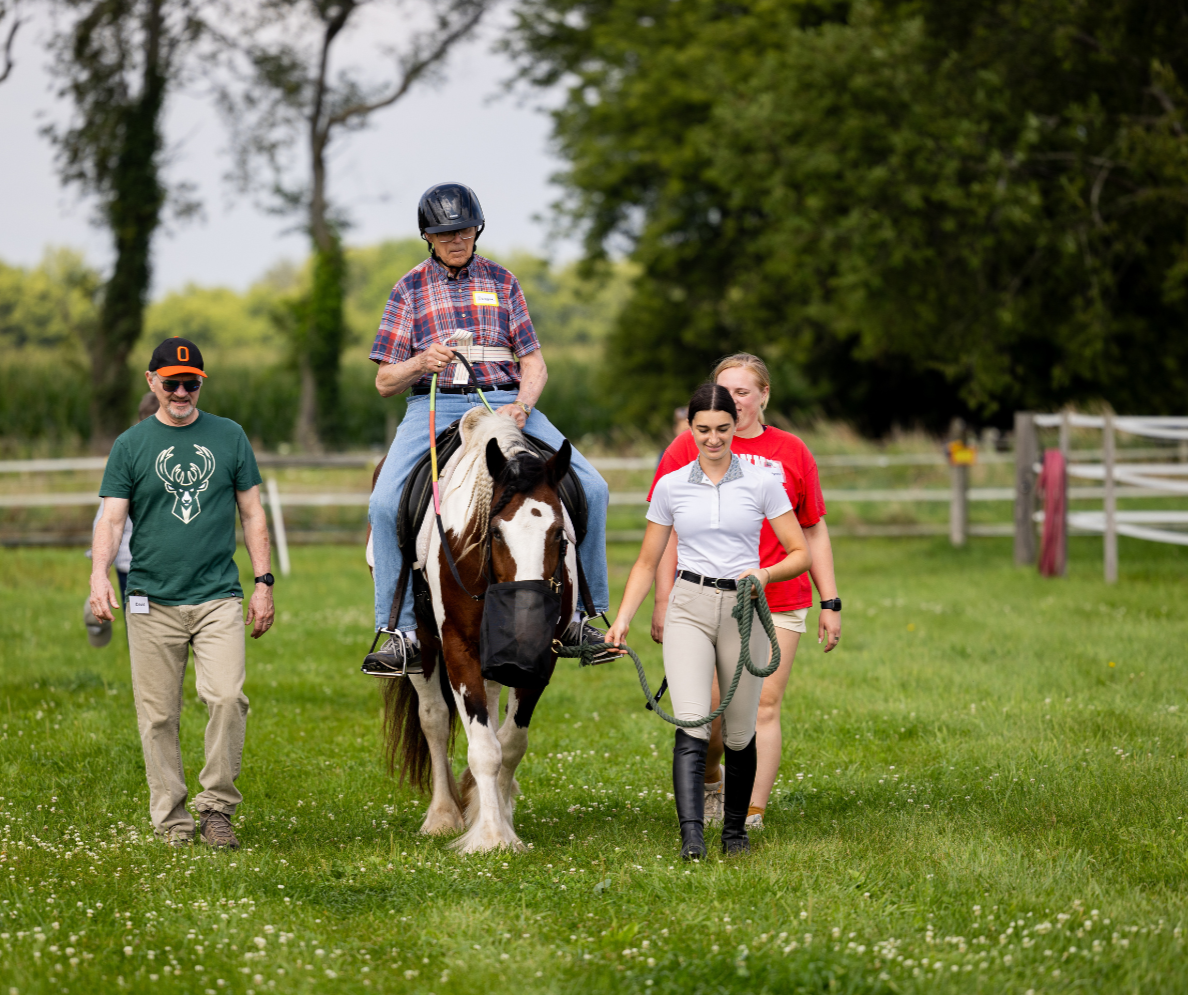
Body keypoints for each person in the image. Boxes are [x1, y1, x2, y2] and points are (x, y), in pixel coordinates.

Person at [361, 182, 614, 676]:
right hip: (432, 408)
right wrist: (418, 362)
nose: (457, 239)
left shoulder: (503, 281)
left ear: (478, 229)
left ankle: (584, 616)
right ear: (428, 237)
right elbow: (383, 381)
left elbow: (534, 362)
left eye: (465, 230)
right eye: (445, 233)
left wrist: (523, 404)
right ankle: (401, 632)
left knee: (597, 488)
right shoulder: (407, 288)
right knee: (384, 502)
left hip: (505, 403)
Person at [605, 383, 810, 860]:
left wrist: (765, 572)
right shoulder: (671, 486)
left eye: (722, 429)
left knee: (739, 731)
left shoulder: (762, 483)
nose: (713, 439)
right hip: (688, 607)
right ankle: (692, 836)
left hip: (743, 609)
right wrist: (623, 621)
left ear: (734, 427)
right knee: (694, 722)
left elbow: (798, 552)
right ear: (690, 429)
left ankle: (735, 833)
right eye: (703, 430)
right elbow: (645, 561)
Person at [89, 338, 275, 848]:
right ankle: (173, 822)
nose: (181, 392)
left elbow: (253, 513)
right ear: (152, 383)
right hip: (151, 599)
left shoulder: (229, 436)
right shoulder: (130, 445)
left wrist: (262, 583)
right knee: (158, 715)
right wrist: (98, 575)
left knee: (228, 698)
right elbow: (111, 518)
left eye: (190, 383)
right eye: (171, 383)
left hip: (218, 595)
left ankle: (216, 808)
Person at [648, 354, 842, 829]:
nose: (732, 400)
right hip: (707, 599)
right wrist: (664, 598)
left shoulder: (792, 451)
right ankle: (712, 777)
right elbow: (667, 529)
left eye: (742, 392)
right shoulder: (685, 449)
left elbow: (813, 529)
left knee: (763, 706)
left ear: (763, 396)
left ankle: (750, 811)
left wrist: (830, 600)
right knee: (712, 716)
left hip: (779, 598)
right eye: (724, 390)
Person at [85, 392, 160, 648]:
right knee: (139, 622)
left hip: (162, 564)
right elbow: (105, 518)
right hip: (131, 565)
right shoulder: (130, 456)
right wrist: (99, 568)